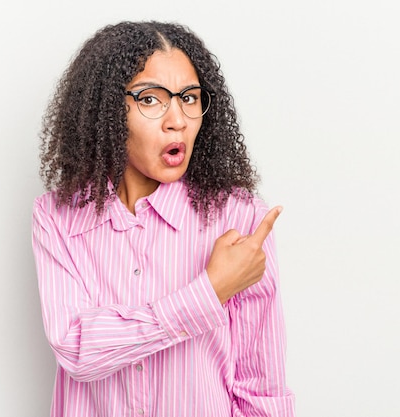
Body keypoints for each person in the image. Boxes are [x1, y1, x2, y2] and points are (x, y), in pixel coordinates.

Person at [31, 20, 295, 417]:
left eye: (189, 98)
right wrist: (209, 292)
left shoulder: (241, 218)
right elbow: (79, 349)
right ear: (107, 110)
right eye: (151, 99)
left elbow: (261, 389)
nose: (178, 120)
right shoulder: (57, 216)